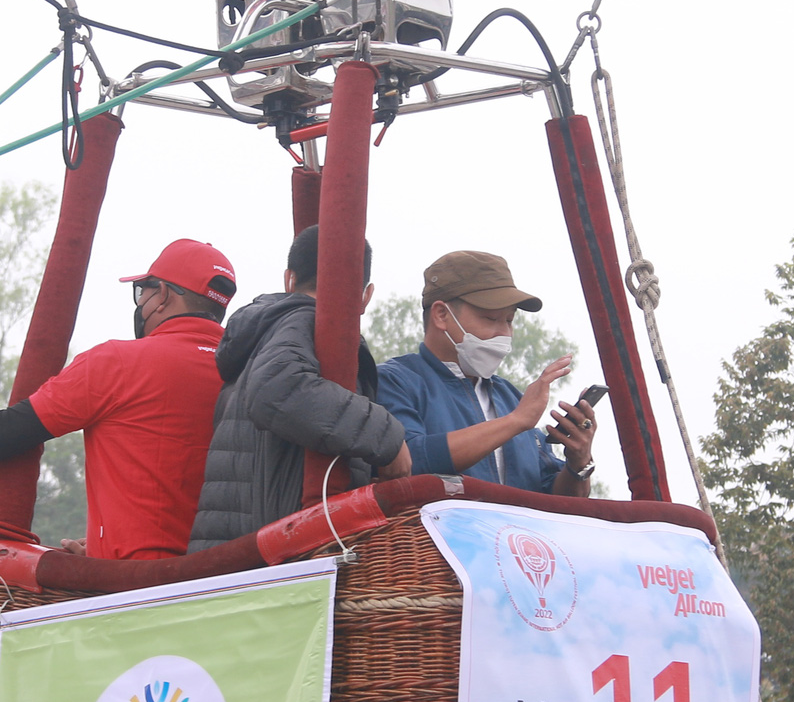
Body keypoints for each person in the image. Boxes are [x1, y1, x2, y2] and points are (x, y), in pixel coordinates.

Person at [0, 238, 235, 560]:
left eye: (143, 292)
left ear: (162, 295)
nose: (141, 302)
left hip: (136, 586)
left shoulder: (118, 363)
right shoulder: (246, 367)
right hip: (231, 580)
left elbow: (3, 435)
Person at [187, 224, 410, 552]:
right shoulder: (304, 322)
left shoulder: (270, 331)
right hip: (267, 561)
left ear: (289, 279)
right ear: (366, 295)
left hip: (237, 552)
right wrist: (389, 438)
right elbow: (279, 390)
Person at [375, 250, 596, 496]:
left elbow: (554, 496)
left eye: (509, 321)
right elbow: (406, 460)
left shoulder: (511, 397)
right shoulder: (393, 380)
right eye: (490, 318)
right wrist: (515, 421)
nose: (504, 334)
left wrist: (579, 461)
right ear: (441, 315)